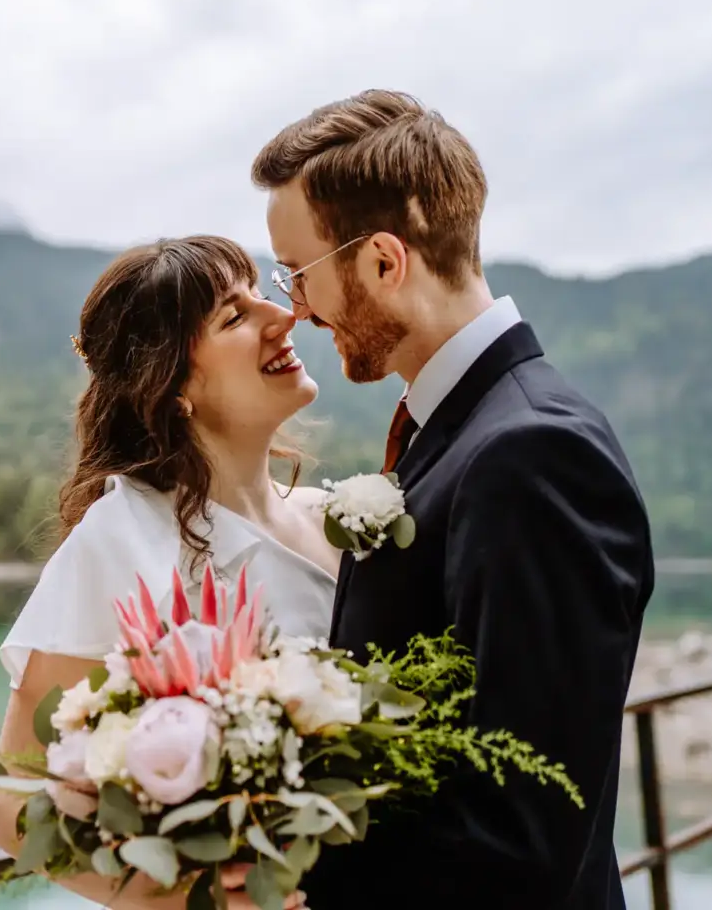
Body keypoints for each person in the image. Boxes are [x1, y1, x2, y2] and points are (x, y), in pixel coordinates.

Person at [254, 90, 654, 908]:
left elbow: (523, 833)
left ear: (383, 263)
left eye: (298, 274)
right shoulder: (465, 432)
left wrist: (272, 865)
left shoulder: (531, 453)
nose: (295, 310)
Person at [0, 235, 337, 910]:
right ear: (174, 387)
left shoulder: (341, 524)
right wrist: (177, 896)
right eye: (234, 318)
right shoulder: (123, 539)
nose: (282, 317)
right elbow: (17, 803)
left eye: (259, 295)